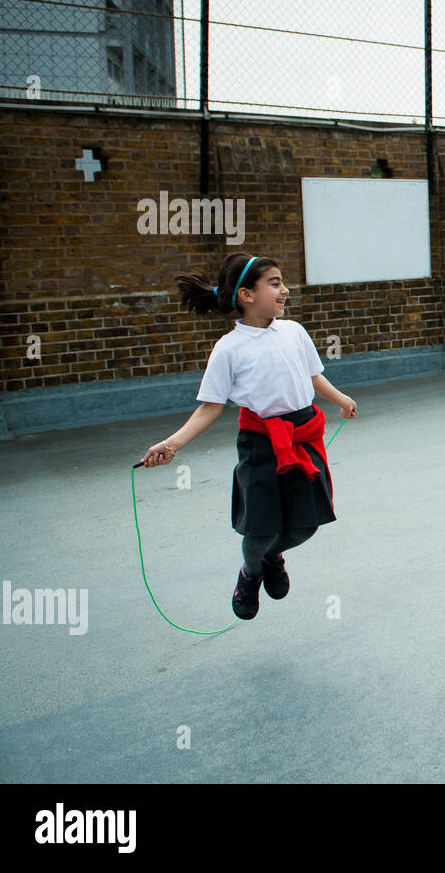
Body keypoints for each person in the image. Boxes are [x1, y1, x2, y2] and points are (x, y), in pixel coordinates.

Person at [139, 253, 357, 619]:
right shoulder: (229, 348)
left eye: (282, 282)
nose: (284, 290)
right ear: (246, 294)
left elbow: (312, 376)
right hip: (261, 443)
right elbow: (210, 407)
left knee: (306, 525)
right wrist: (171, 444)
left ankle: (273, 556)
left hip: (303, 436)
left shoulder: (294, 331)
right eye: (274, 283)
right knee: (260, 528)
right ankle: (250, 572)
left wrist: (341, 399)